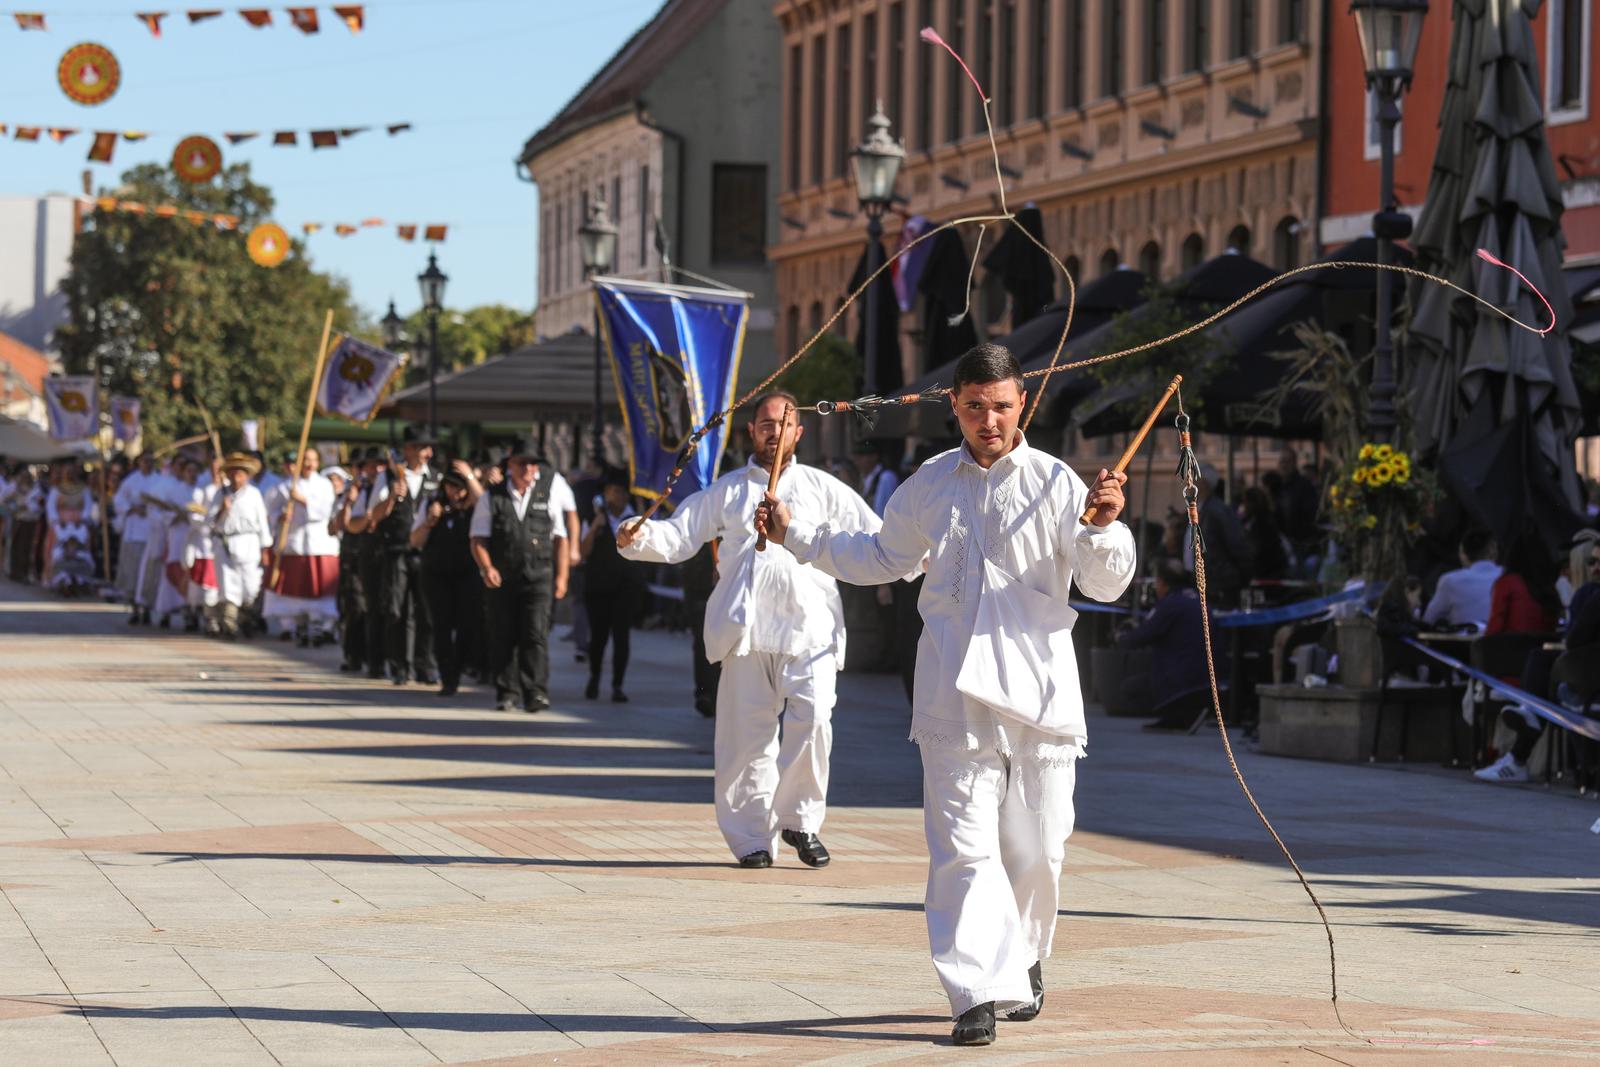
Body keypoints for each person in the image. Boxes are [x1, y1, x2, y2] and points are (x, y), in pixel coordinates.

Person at [754, 344, 1135, 1047]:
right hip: (952, 696)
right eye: (973, 405)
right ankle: (972, 990)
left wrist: (1106, 525)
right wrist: (795, 535)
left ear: (1023, 405)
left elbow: (1104, 581)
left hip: (1040, 696)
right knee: (961, 848)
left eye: (1001, 405)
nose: (988, 419)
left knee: (1040, 847)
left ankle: (1021, 956)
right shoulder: (928, 484)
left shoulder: (1058, 484)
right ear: (953, 405)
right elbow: (877, 558)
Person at [618, 390, 882, 870]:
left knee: (815, 720)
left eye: (782, 424)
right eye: (764, 424)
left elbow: (877, 538)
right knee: (746, 741)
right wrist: (637, 533)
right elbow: (679, 535)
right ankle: (750, 839)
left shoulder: (825, 488)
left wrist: (922, 557)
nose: (773, 432)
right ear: (751, 432)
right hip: (747, 632)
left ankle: (801, 820)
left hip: (811, 631)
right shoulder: (729, 489)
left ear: (798, 432)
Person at [470, 438, 569, 712]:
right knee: (503, 633)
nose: (527, 469)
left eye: (531, 464)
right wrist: (487, 567)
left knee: (535, 633)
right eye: (521, 463)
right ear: (510, 466)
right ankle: (507, 691)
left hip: (539, 576)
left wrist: (562, 577)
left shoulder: (547, 495)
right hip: (503, 576)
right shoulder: (493, 497)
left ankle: (536, 691)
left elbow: (561, 537)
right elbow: (478, 538)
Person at [354, 428, 439, 685]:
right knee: (397, 610)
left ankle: (425, 664)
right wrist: (392, 497)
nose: (428, 453)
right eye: (422, 448)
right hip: (396, 551)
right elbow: (373, 517)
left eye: (429, 448)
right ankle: (400, 666)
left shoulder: (435, 477)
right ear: (409, 449)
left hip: (424, 552)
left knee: (426, 611)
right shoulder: (389, 476)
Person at [412, 460, 484, 696]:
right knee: (440, 626)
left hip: (467, 575)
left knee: (467, 626)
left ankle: (459, 667)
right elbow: (415, 541)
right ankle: (447, 677)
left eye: (460, 486)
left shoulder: (475, 508)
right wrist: (430, 522)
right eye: (451, 486)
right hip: (437, 574)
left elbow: (484, 502)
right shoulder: (432, 505)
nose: (456, 492)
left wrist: (470, 476)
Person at [1115, 559, 1209, 726]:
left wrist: (1121, 636)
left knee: (1129, 690)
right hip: (1208, 679)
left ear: (1163, 583)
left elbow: (1142, 636)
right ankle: (1183, 710)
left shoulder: (1169, 604)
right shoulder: (1198, 599)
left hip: (1182, 679)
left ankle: (1177, 714)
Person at [263, 448, 341, 646]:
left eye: (313, 460)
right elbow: (269, 513)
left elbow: (325, 510)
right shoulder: (285, 486)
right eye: (305, 460)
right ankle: (300, 624)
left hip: (318, 541)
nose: (309, 464)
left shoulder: (324, 485)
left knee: (319, 588)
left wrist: (303, 501)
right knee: (296, 588)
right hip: (294, 542)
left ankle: (318, 625)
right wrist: (280, 517)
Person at [580, 467, 645, 702]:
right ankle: (594, 678)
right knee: (598, 637)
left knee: (621, 637)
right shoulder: (594, 517)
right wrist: (596, 526)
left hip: (625, 587)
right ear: (606, 493)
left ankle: (618, 684)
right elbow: (582, 552)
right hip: (598, 586)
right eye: (614, 492)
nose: (619, 497)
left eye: (622, 492)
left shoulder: (638, 518)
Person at [209, 452, 272, 640]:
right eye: (233, 474)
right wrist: (222, 509)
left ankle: (248, 619)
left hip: (248, 543)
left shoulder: (253, 494)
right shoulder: (219, 494)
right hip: (226, 543)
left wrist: (265, 547)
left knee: (250, 585)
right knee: (227, 586)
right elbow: (209, 522)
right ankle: (228, 623)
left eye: (240, 474)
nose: (237, 478)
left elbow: (262, 522)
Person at [1188, 463, 1250, 607]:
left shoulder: (1216, 511)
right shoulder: (1201, 510)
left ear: (1203, 484)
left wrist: (1237, 578)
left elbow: (1237, 545)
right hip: (1206, 584)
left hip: (1218, 587)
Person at [1422, 529, 1500, 629]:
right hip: (1505, 642)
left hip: (1462, 643)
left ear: (1463, 555)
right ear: (1493, 551)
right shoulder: (1510, 578)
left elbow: (1428, 620)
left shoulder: (1450, 581)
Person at [113, 452, 158, 622]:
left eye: (150, 461)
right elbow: (119, 501)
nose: (147, 464)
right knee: (133, 572)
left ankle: (147, 608)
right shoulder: (130, 481)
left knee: (148, 573)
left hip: (151, 532)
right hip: (133, 532)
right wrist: (132, 509)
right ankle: (134, 608)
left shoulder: (160, 481)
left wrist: (149, 510)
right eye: (144, 461)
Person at [851, 438, 901, 517]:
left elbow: (885, 512)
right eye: (856, 457)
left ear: (874, 457)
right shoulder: (864, 477)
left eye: (861, 456)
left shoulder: (886, 477)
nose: (857, 461)